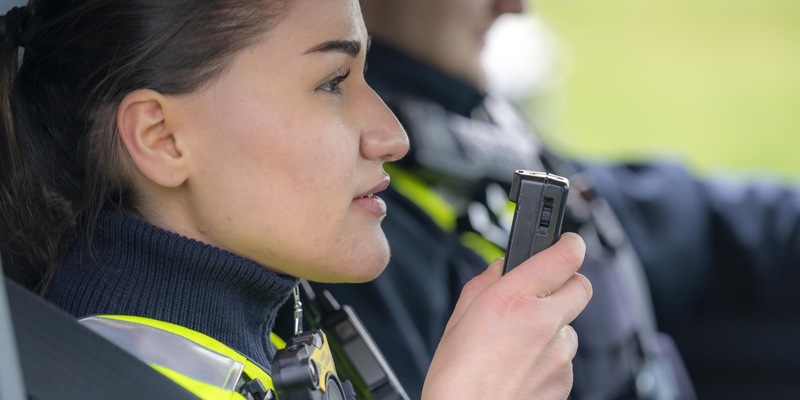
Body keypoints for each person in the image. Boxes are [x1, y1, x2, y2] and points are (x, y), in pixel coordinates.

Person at [0, 1, 594, 399]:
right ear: (162, 137)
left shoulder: (281, 328)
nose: (392, 135)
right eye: (333, 82)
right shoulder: (105, 379)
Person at [307, 0, 800, 399]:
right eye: (333, 82)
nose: (515, 7)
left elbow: (679, 222)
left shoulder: (465, 124)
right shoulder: (350, 244)